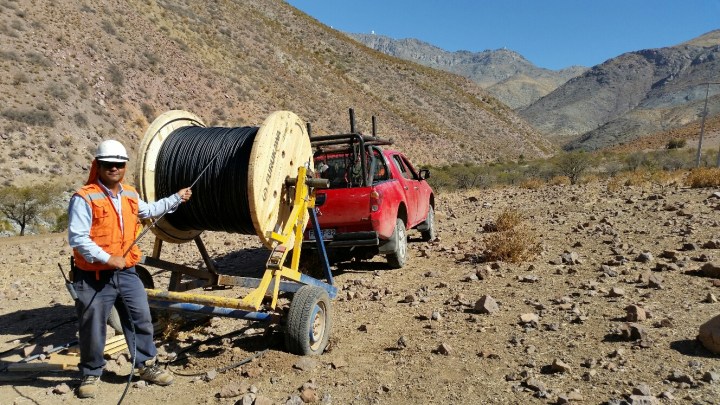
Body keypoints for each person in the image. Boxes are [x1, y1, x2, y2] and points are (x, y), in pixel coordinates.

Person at [68, 139, 192, 399]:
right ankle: (91, 372)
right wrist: (107, 258)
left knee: (141, 318)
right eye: (108, 164)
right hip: (93, 277)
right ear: (99, 166)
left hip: (126, 273)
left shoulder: (130, 194)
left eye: (119, 164)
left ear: (124, 166)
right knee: (92, 325)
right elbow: (78, 237)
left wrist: (177, 199)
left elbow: (151, 210)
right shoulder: (84, 197)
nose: (114, 168)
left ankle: (146, 364)